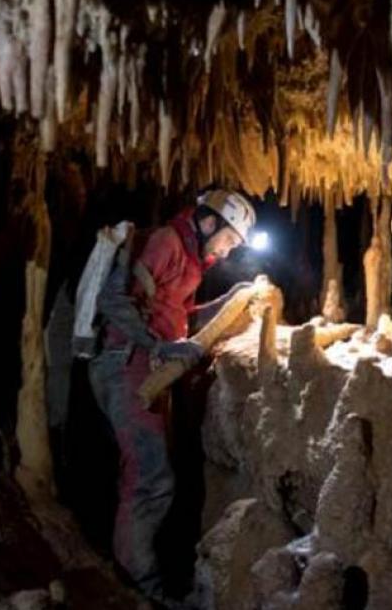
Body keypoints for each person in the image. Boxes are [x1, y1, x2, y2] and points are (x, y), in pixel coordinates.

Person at [88, 187, 255, 601]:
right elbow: (115, 299)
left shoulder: (191, 262)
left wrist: (230, 303)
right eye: (229, 240)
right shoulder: (166, 241)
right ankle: (138, 587)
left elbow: (175, 318)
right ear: (209, 222)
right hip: (125, 363)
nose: (229, 252)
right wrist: (157, 345)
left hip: (147, 365)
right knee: (149, 477)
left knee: (146, 473)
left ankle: (138, 573)